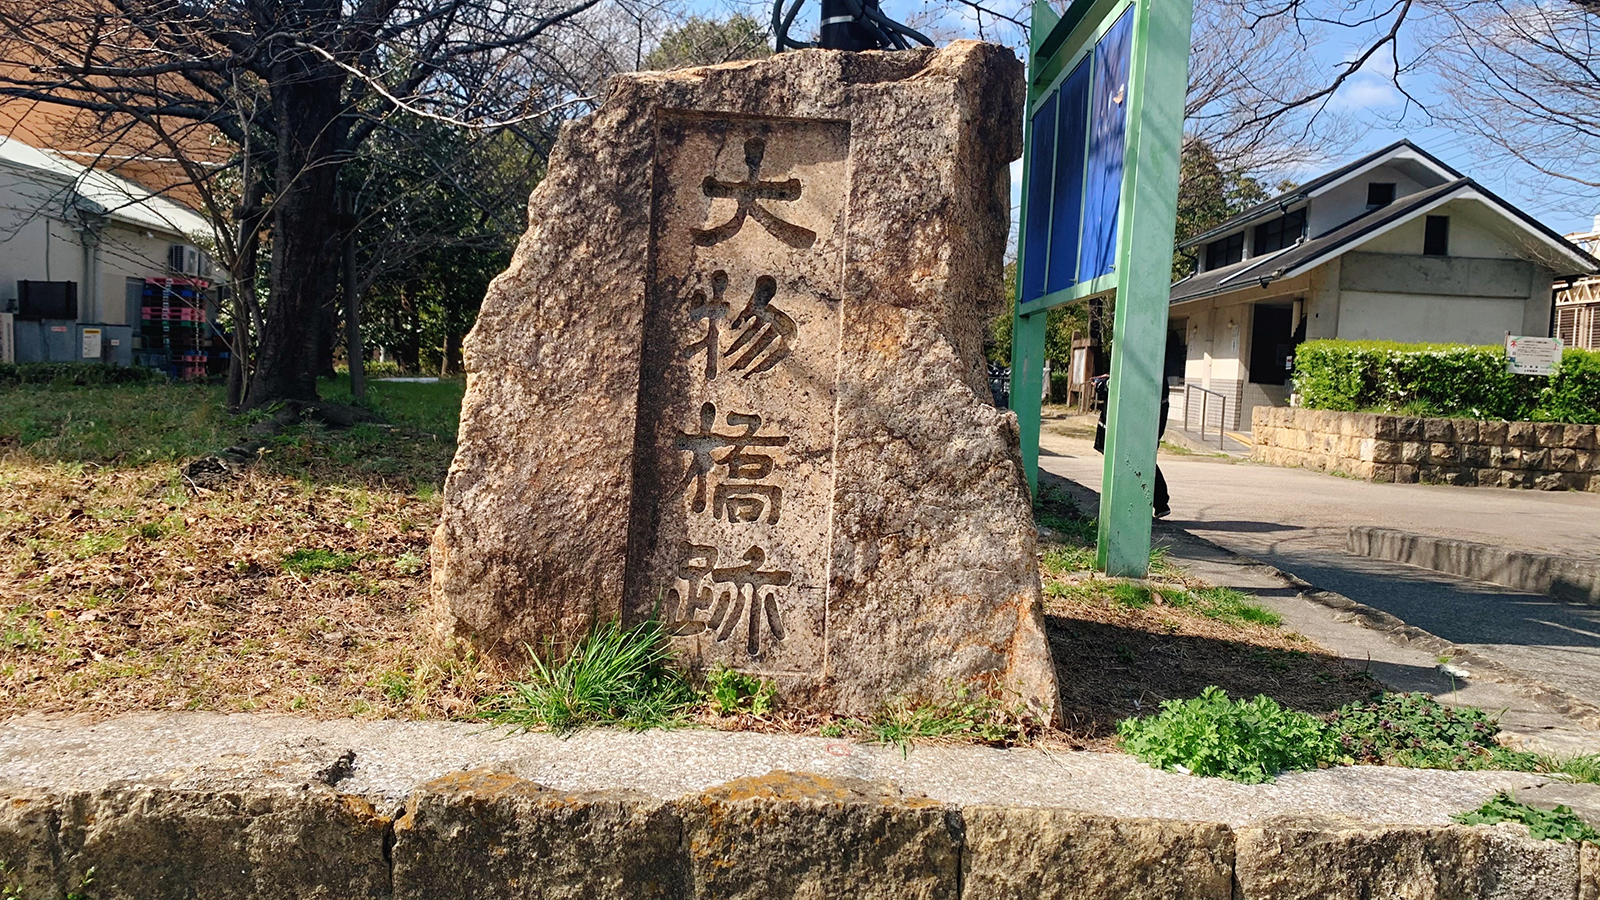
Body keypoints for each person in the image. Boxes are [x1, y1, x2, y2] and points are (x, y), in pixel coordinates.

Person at [1092, 374, 1171, 519]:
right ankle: (1158, 502)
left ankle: (1155, 501)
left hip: (1132, 424)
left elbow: (1115, 386)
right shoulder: (1154, 371)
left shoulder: (1136, 370)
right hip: (1145, 421)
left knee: (1134, 459)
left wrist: (1102, 384)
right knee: (1139, 459)